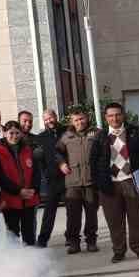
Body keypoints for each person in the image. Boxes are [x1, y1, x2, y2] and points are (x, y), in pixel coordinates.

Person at [90, 101, 139, 262]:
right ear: (106, 118)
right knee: (114, 221)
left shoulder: (134, 133)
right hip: (110, 185)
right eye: (110, 115)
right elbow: (93, 163)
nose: (114, 118)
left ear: (122, 115)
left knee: (136, 218)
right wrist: (99, 185)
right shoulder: (100, 137)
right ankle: (118, 251)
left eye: (117, 114)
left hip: (131, 181)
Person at [57, 109, 101, 254]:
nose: (79, 122)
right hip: (72, 183)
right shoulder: (66, 136)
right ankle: (74, 243)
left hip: (91, 182)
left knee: (91, 215)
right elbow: (57, 153)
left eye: (81, 119)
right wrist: (62, 163)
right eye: (76, 120)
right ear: (72, 122)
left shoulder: (97, 133)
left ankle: (91, 242)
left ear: (87, 118)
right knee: (73, 216)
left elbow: (105, 152)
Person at [0, 121, 40, 244]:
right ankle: (15, 261)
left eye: (17, 133)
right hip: (10, 199)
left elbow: (36, 172)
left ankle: (30, 259)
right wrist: (18, 191)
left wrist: (33, 189)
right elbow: (0, 176)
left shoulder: (27, 149)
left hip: (29, 198)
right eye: (11, 133)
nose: (14, 136)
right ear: (4, 133)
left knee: (29, 233)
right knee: (12, 234)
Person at [30, 108, 66, 247]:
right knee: (49, 212)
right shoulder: (41, 137)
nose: (49, 121)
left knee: (72, 209)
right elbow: (39, 159)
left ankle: (71, 237)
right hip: (52, 180)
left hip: (68, 176)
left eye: (50, 118)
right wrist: (46, 173)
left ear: (56, 117)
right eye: (45, 119)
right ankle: (43, 239)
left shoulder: (66, 132)